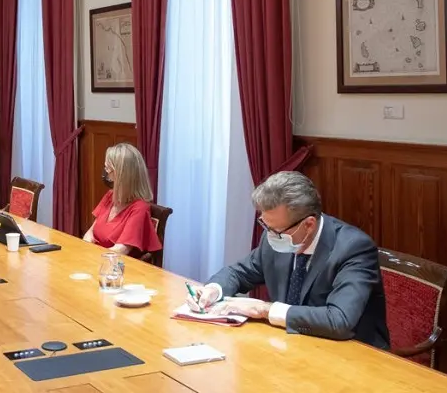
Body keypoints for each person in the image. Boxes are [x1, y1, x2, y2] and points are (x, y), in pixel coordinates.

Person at [186, 171, 389, 348]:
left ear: (309, 224)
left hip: (352, 357)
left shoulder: (354, 248)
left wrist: (265, 310)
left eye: (276, 230)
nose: (269, 234)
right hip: (291, 345)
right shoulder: (276, 236)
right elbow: (239, 272)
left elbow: (339, 320)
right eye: (265, 226)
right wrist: (214, 290)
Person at [81, 143, 161, 257]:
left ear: (123, 175)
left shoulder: (140, 208)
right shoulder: (110, 196)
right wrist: (87, 245)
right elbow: (90, 232)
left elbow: (120, 250)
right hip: (96, 259)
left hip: (117, 268)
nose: (106, 173)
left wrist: (92, 254)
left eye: (108, 168)